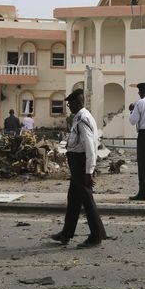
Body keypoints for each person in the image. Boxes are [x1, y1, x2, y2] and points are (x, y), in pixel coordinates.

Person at [49, 88, 107, 248]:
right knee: (73, 200)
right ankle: (66, 233)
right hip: (77, 162)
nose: (68, 106)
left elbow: (90, 146)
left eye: (70, 103)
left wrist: (89, 171)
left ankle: (96, 235)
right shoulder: (79, 117)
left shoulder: (83, 119)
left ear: (77, 103)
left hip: (81, 163)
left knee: (87, 200)